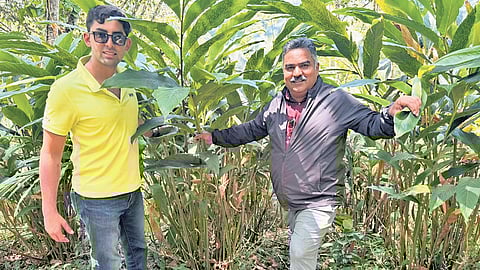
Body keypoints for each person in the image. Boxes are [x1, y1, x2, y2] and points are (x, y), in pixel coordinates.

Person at [195, 37, 422, 269]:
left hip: (319, 200)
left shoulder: (335, 101)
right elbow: (251, 130)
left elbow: (372, 124)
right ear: (283, 71)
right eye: (289, 67)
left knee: (300, 254)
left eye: (304, 65)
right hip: (291, 201)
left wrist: (392, 113)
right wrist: (215, 137)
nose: (297, 73)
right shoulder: (276, 104)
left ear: (316, 68)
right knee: (303, 256)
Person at [40, 5, 146, 270]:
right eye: (101, 35)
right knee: (108, 264)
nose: (109, 43)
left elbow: (129, 122)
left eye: (117, 37)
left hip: (133, 191)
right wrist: (49, 212)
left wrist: (159, 128)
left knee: (138, 256)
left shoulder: (130, 80)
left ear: (127, 44)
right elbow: (50, 154)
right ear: (88, 38)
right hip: (96, 199)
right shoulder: (66, 90)